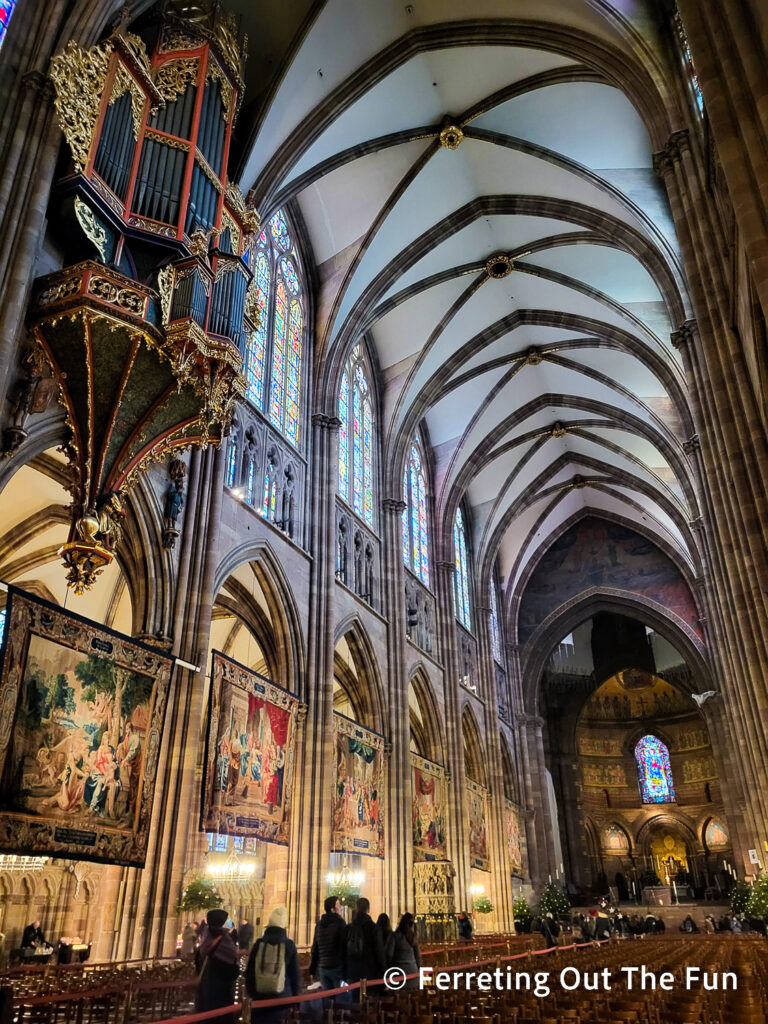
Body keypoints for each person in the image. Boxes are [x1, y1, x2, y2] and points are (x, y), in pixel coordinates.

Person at [245, 906, 300, 1024]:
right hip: (282, 997)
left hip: (259, 996)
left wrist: (252, 993)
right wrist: (296, 999)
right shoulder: (289, 945)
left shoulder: (258, 944)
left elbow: (249, 972)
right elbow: (294, 975)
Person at [194, 909, 240, 1021]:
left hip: (206, 983)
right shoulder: (224, 938)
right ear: (220, 921)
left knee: (207, 1014)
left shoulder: (207, 934)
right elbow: (231, 964)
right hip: (221, 985)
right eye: (226, 919)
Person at [345, 897, 385, 998]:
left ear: (356, 908)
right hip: (370, 972)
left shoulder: (349, 927)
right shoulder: (373, 927)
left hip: (352, 973)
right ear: (368, 909)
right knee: (369, 1005)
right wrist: (384, 972)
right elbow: (379, 952)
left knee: (354, 1003)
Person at [310, 897, 348, 995]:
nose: (341, 907)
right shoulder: (340, 923)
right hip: (337, 967)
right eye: (338, 905)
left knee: (327, 999)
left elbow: (315, 948)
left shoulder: (318, 925)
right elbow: (344, 946)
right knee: (341, 1000)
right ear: (332, 909)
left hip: (323, 968)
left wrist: (312, 968)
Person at [390, 913, 421, 989]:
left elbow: (389, 955)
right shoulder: (413, 938)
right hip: (413, 973)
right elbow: (418, 957)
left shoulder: (395, 936)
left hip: (398, 973)